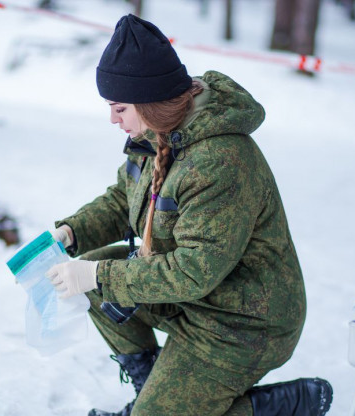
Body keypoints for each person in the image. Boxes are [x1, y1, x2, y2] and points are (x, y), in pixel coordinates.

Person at [45, 14, 333, 416]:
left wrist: (100, 276)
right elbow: (122, 200)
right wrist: (71, 233)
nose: (113, 119)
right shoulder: (155, 136)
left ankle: (273, 408)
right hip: (191, 301)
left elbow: (193, 270)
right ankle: (155, 393)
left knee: (99, 278)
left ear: (147, 102)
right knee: (94, 278)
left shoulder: (218, 161)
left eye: (119, 107)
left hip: (241, 325)